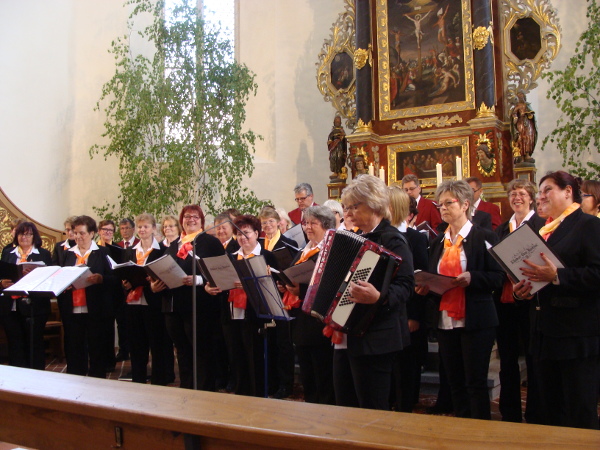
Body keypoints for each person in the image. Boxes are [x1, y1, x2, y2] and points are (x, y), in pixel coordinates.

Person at [513, 171, 600, 429]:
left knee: (578, 409)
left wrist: (557, 276)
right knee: (550, 410)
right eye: (539, 192)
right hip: (544, 332)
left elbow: (597, 273)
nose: (541, 197)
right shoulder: (544, 229)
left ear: (568, 192)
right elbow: (536, 273)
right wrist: (523, 290)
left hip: (576, 333)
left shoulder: (588, 225)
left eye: (547, 190)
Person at [415, 180, 504, 420]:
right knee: (454, 381)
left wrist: (472, 277)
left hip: (476, 318)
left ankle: (480, 433)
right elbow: (435, 277)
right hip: (445, 320)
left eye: (448, 203)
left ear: (465, 204)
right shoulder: (437, 242)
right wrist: (427, 287)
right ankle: (461, 431)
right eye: (439, 204)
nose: (442, 208)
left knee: (474, 381)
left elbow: (498, 277)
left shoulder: (484, 236)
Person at [334, 174, 414, 410]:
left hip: (378, 337)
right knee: (347, 402)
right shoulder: (357, 238)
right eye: (345, 208)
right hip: (351, 333)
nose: (347, 214)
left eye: (353, 207)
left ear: (373, 204)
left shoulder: (394, 241)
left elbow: (407, 286)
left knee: (372, 405)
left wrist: (380, 297)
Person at [153, 204, 225, 390]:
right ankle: (186, 388)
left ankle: (204, 391)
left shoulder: (210, 242)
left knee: (201, 351)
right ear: (181, 220)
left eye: (195, 216)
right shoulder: (174, 245)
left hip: (199, 306)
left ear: (201, 220)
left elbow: (220, 273)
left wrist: (199, 280)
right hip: (174, 306)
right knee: (182, 351)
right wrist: (155, 285)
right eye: (187, 216)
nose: (190, 219)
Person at [205, 214, 278, 397]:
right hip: (231, 312)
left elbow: (276, 287)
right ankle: (240, 393)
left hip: (255, 314)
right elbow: (215, 281)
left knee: (254, 356)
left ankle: (257, 394)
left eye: (246, 233)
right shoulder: (229, 257)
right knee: (235, 356)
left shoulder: (267, 256)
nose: (242, 238)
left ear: (256, 233)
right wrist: (209, 287)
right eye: (238, 234)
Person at [495, 179, 545, 423]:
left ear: (531, 197)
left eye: (522, 194)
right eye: (513, 194)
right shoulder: (502, 229)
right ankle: (510, 412)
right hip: (506, 301)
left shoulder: (541, 224)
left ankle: (535, 411)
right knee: (507, 359)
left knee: (534, 359)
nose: (517, 198)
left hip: (532, 301)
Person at [280, 205, 336, 405]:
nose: (307, 227)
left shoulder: (330, 249)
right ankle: (311, 408)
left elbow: (331, 285)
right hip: (301, 321)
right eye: (306, 223)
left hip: (318, 320)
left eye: (313, 223)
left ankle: (325, 411)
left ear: (326, 225)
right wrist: (284, 285)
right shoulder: (306, 248)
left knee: (323, 373)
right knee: (308, 374)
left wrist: (300, 291)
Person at [388, 186, 428, 412]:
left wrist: (414, 315)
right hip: (388, 309)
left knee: (406, 365)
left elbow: (420, 279)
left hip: (408, 310)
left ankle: (405, 405)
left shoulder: (414, 238)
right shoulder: (383, 234)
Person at [57, 215, 114, 378]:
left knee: (96, 345)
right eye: (75, 233)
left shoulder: (102, 252)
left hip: (95, 306)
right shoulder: (68, 254)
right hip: (72, 306)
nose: (78, 237)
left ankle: (97, 379)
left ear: (92, 234)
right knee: (74, 345)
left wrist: (100, 278)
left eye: (82, 233)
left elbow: (113, 278)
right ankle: (75, 377)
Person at [121, 213, 168, 385]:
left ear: (154, 229)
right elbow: (124, 273)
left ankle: (159, 381)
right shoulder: (130, 251)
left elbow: (166, 274)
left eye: (146, 226)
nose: (142, 230)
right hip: (133, 302)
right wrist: (125, 283)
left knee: (157, 344)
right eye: (140, 227)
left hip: (153, 302)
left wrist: (154, 284)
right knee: (136, 345)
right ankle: (138, 379)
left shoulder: (162, 250)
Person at [0, 222, 53, 370]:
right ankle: (17, 380)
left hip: (34, 307)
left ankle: (36, 378)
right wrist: (2, 282)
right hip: (11, 306)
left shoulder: (43, 254)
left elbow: (50, 279)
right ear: (16, 236)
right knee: (15, 344)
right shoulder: (8, 253)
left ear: (34, 236)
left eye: (28, 234)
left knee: (34, 344)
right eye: (21, 234)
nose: (24, 237)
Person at [258, 206, 297, 398]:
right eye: (264, 223)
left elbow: (292, 270)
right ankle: (271, 381)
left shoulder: (288, 243)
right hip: (264, 295)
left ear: (279, 223)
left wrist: (284, 283)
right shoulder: (259, 244)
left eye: (270, 222)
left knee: (283, 343)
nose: (267, 226)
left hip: (284, 297)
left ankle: (285, 384)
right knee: (269, 341)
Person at [115, 218, 138, 362]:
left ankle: (134, 351)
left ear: (133, 229)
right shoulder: (117, 246)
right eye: (122, 228)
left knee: (133, 324)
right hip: (120, 289)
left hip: (135, 287)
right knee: (121, 322)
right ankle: (123, 350)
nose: (124, 231)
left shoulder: (138, 244)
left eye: (127, 228)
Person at [511, 92, 537, 162]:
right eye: (519, 96)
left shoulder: (527, 105)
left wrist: (530, 115)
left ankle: (527, 154)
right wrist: (515, 117)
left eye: (522, 95)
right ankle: (522, 155)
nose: (520, 97)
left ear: (524, 96)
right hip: (521, 122)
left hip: (528, 123)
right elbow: (514, 113)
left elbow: (531, 114)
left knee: (529, 137)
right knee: (521, 138)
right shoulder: (517, 106)